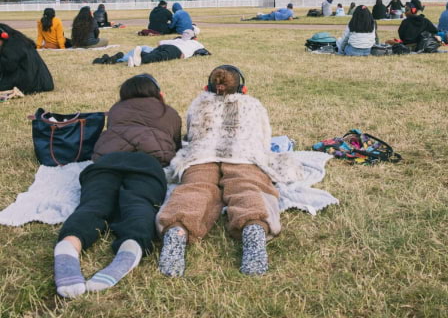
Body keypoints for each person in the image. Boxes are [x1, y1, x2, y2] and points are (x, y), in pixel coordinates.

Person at [53, 74, 181, 298]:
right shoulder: (168, 112)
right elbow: (176, 147)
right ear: (158, 93)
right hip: (146, 163)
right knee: (139, 203)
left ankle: (69, 244)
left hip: (106, 161)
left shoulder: (116, 109)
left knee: (94, 205)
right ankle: (131, 246)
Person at [156, 65, 282, 277]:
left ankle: (176, 229)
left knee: (195, 188)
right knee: (248, 187)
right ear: (242, 87)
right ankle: (254, 226)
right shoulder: (254, 104)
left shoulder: (199, 102)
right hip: (245, 155)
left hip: (201, 155)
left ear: (209, 86)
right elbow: (264, 139)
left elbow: (191, 135)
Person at [0, 23, 54, 94]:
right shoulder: (18, 39)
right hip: (41, 83)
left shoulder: (13, 45)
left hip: (31, 84)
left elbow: (9, 67)